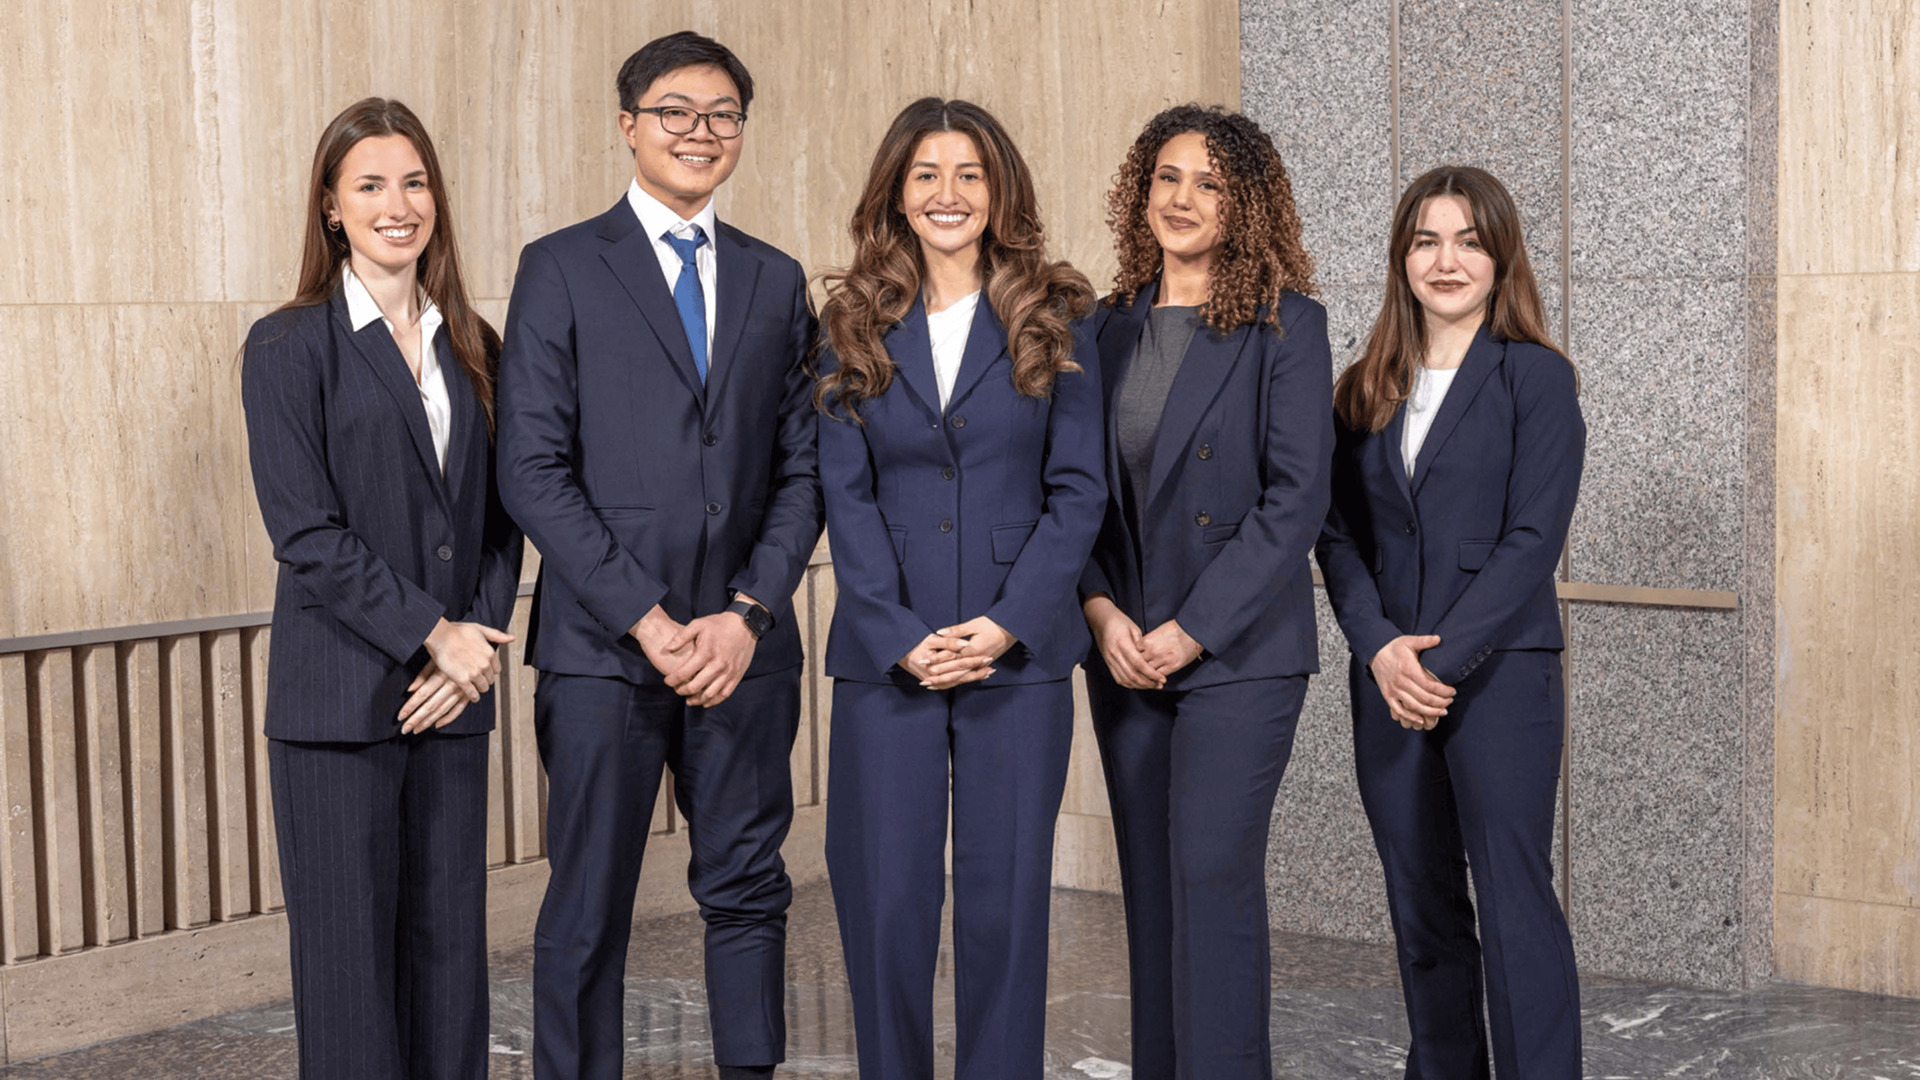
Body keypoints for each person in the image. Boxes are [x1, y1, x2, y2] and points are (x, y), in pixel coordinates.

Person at [494, 30, 821, 1080]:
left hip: (744, 653)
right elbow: (532, 469)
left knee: (746, 891)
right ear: (628, 123)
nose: (700, 132)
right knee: (587, 901)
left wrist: (748, 611)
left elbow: (803, 471)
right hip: (604, 652)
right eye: (675, 111)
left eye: (722, 114)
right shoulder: (559, 267)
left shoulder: (776, 281)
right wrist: (646, 615)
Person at [814, 96, 1104, 1080]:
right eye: (927, 174)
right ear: (897, 190)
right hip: (884, 661)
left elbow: (1078, 493)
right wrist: (896, 632)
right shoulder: (849, 319)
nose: (949, 194)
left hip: (1014, 660)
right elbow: (842, 493)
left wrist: (1009, 623)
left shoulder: (1058, 312)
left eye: (970, 175)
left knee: (1006, 908)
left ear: (1000, 190)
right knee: (884, 902)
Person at [240, 97, 523, 1080]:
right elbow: (305, 531)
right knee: (348, 974)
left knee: (450, 963)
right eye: (370, 184)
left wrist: (473, 647)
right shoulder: (287, 347)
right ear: (331, 205)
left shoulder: (479, 344)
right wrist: (430, 636)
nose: (397, 203)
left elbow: (503, 521)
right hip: (337, 706)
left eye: (414, 181)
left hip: (452, 703)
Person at [1314, 164, 1585, 1077]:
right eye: (1427, 239)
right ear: (1401, 256)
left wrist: (1439, 664)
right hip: (1387, 676)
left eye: (1469, 239)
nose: (1447, 259)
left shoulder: (1537, 380)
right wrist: (1381, 649)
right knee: (1421, 902)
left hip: (1501, 674)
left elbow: (1531, 540)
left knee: (1514, 901)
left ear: (1501, 256)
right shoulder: (1361, 389)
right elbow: (1335, 535)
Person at [1078, 104, 1331, 1080]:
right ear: (1142, 190)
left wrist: (1189, 630)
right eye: (1168, 177)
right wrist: (1101, 612)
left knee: (1212, 876)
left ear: (1247, 205)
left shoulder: (1286, 327)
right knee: (1149, 888)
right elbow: (1074, 496)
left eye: (1211, 182)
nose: (1183, 199)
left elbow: (1295, 496)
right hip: (1121, 650)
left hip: (1236, 651)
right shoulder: (1100, 328)